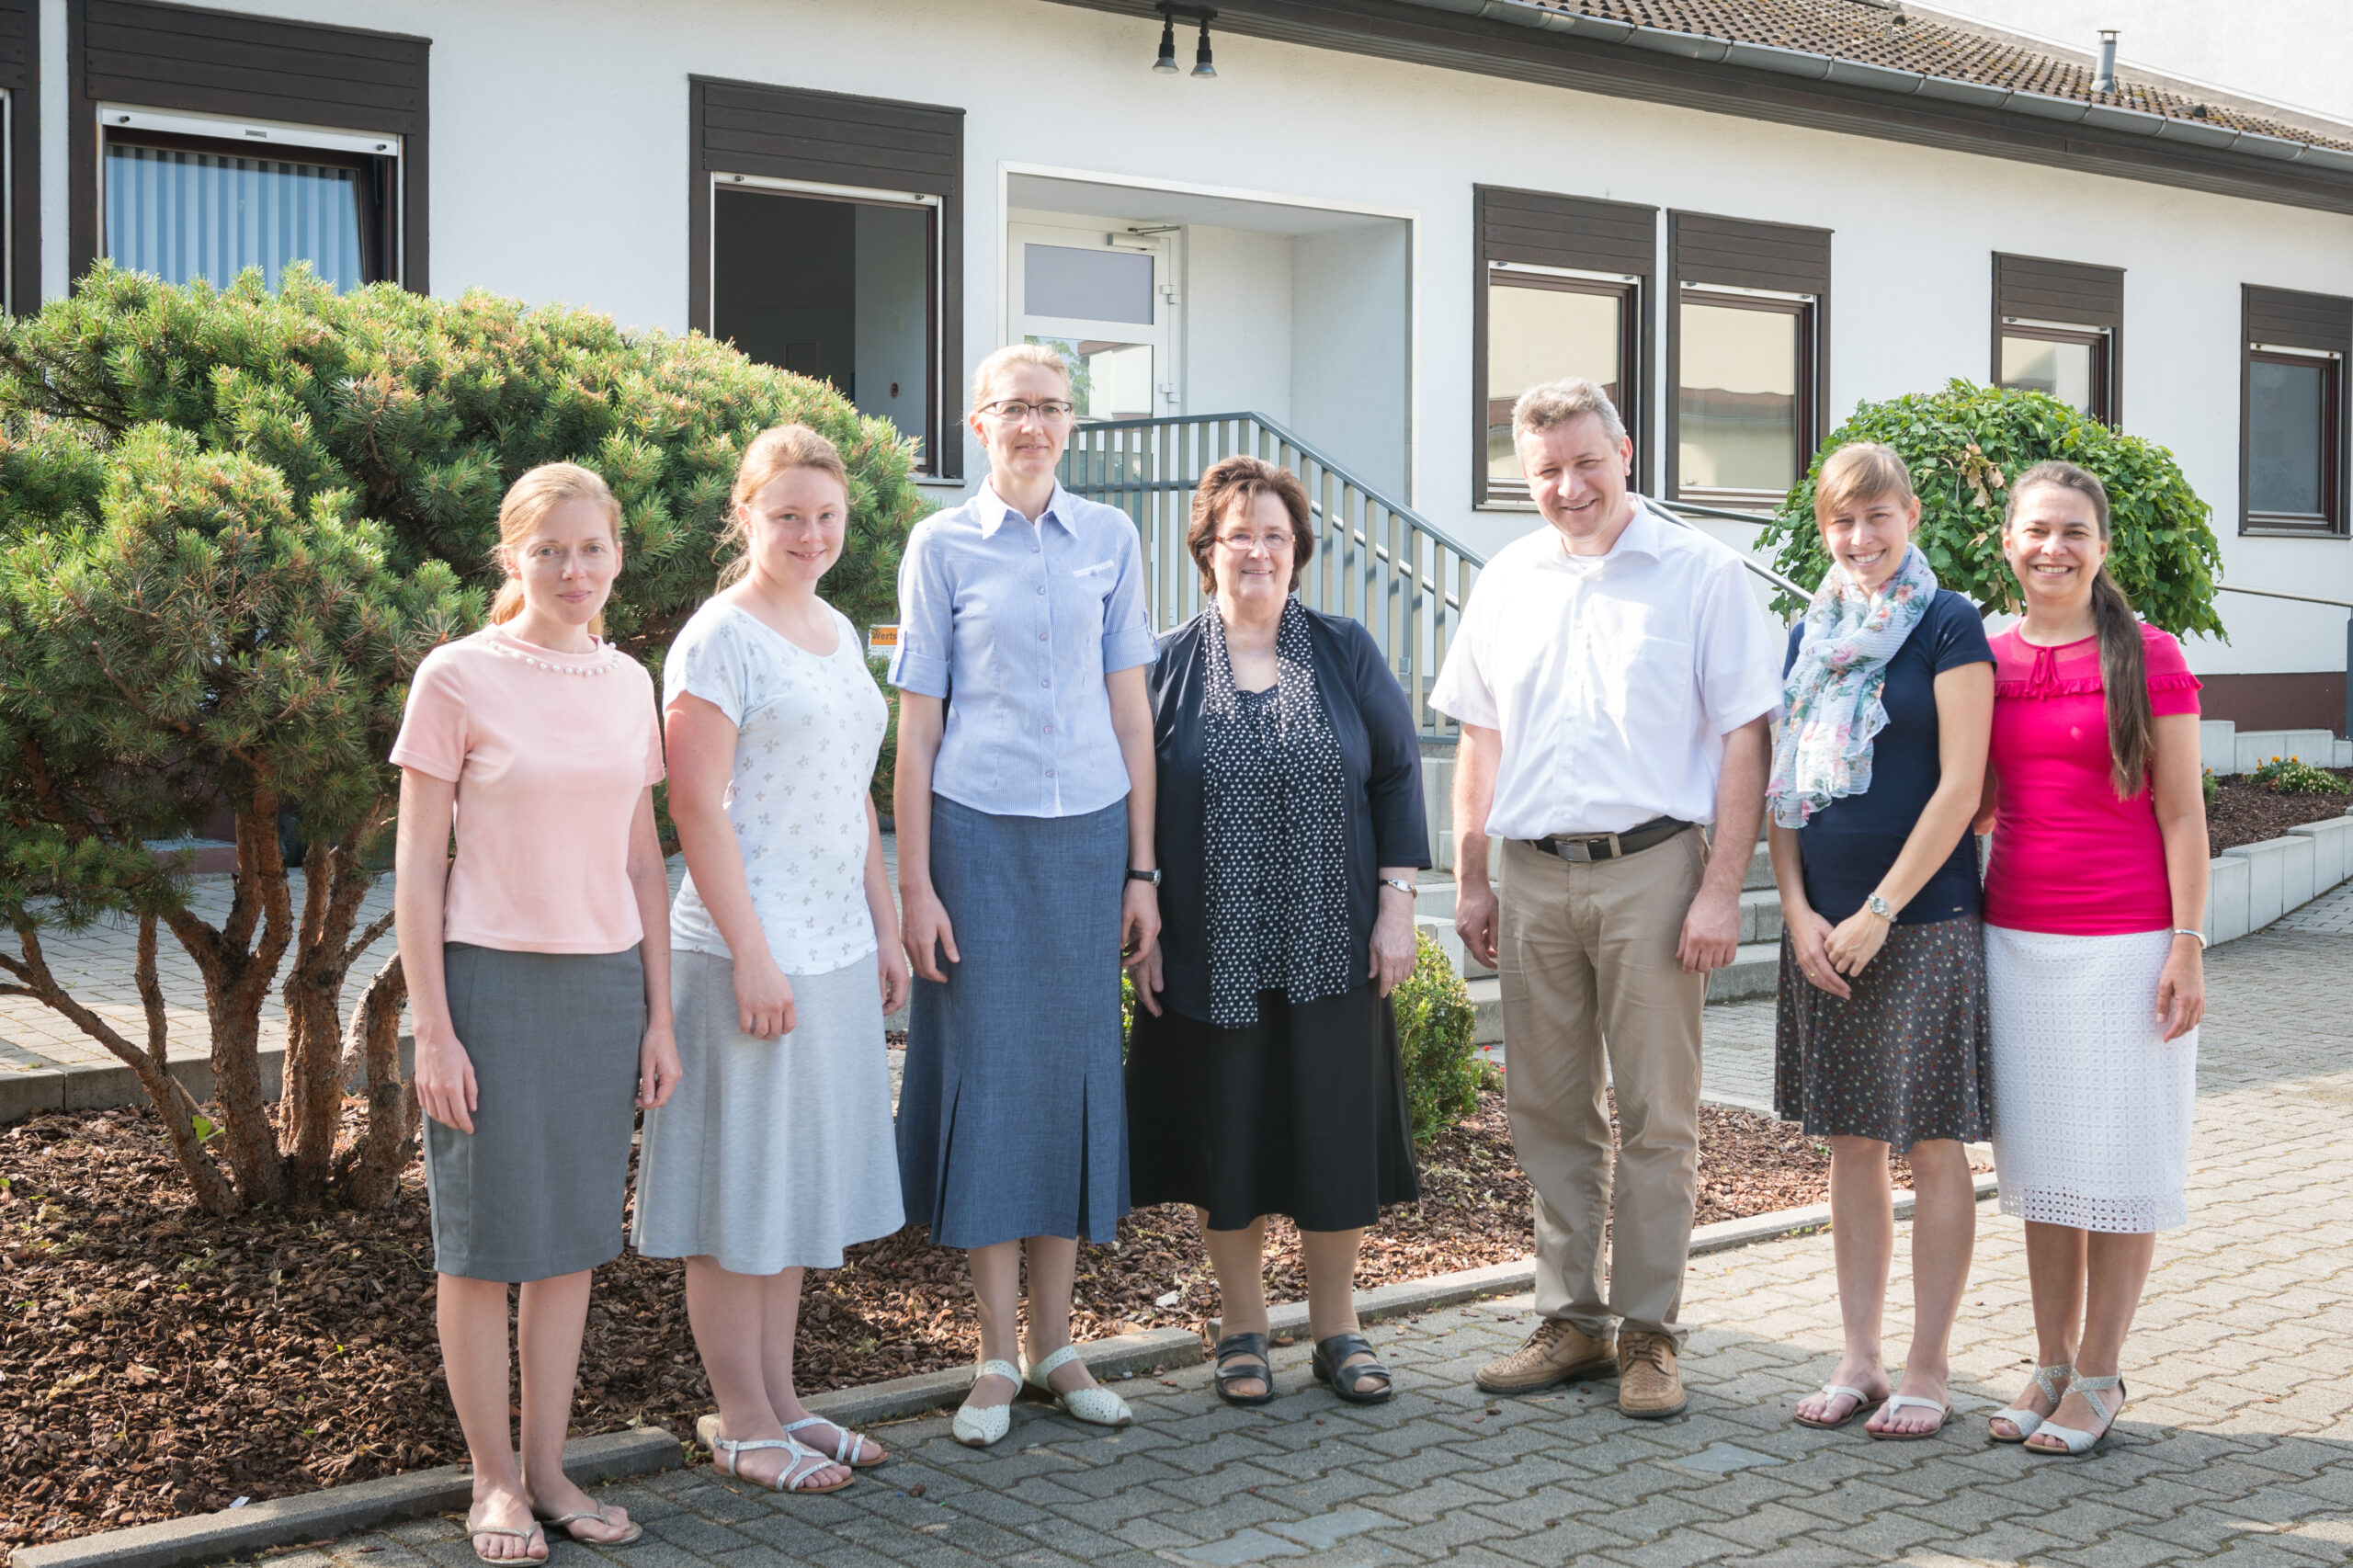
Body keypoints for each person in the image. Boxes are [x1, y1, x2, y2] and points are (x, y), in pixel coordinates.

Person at [1432, 377, 1781, 1420]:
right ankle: (1571, 1320)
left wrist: (1720, 888)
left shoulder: (1702, 575)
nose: (1569, 486)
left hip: (1654, 870)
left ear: (1625, 453)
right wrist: (1472, 877)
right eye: (1546, 470)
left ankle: (1650, 1334)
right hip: (1533, 873)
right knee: (1547, 1107)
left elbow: (1745, 739)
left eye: (1587, 462)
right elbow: (1480, 737)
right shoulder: (1507, 579)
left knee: (1658, 1114)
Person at [391, 463, 675, 1563]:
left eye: (591, 547)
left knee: (569, 1244)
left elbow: (641, 861)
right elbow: (418, 867)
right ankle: (493, 1479)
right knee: (479, 1248)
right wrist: (434, 1026)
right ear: (512, 555)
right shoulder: (456, 676)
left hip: (604, 988)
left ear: (617, 556)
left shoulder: (629, 681)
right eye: (549, 548)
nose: (572, 568)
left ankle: (550, 1468)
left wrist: (658, 1014)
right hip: (489, 986)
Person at [889, 342, 1160, 1447]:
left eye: (1050, 407)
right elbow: (917, 729)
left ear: (1071, 423)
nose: (1033, 424)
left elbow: (1133, 716)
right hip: (975, 837)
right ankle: (994, 1356)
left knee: (1071, 1080)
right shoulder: (940, 543)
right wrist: (914, 884)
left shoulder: (1111, 539)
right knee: (992, 1081)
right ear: (978, 423)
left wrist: (1142, 870)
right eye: (1013, 407)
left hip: (1089, 838)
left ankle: (1058, 1345)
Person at [633, 425, 910, 1494]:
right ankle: (740, 1418)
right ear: (744, 514)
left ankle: (784, 1399)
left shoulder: (837, 630)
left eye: (826, 515)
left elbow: (853, 796)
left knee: (792, 1189)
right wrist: (751, 953)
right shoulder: (717, 638)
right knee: (737, 1192)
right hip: (741, 951)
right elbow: (693, 804)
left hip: (834, 947)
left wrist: (884, 924)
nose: (809, 533)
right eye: (787, 514)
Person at [1128, 456, 1430, 1408]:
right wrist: (1139, 915)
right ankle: (1242, 1326)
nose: (1256, 550)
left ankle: (1338, 1328)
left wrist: (1397, 902)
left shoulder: (1345, 650)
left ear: (1298, 550)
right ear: (1206, 551)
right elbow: (1132, 799)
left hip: (1332, 944)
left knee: (1332, 1135)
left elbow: (1396, 773)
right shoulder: (1162, 664)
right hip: (1207, 948)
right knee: (1230, 1139)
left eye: (1274, 534)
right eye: (1237, 535)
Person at [1765, 443, 1995, 1440]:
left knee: (1934, 1145)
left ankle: (1927, 1366)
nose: (1859, 538)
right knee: (1850, 1143)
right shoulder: (1808, 631)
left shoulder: (1948, 621)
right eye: (1841, 522)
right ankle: (1858, 1357)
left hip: (1924, 919)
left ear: (1910, 515)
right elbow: (1782, 785)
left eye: (1876, 517)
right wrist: (1797, 910)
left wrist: (1881, 909)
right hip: (1824, 928)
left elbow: (1961, 784)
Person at [1977, 460, 2207, 1456]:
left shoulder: (2147, 654)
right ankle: (2049, 1362)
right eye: (2036, 529)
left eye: (2073, 531)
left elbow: (2183, 811)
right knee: (2045, 1166)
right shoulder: (1988, 657)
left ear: (2101, 546)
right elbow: (1974, 801)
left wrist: (2188, 943)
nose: (2053, 548)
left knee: (2116, 1164)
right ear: (2007, 543)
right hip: (2015, 943)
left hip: (2128, 947)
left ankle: (2101, 1373)